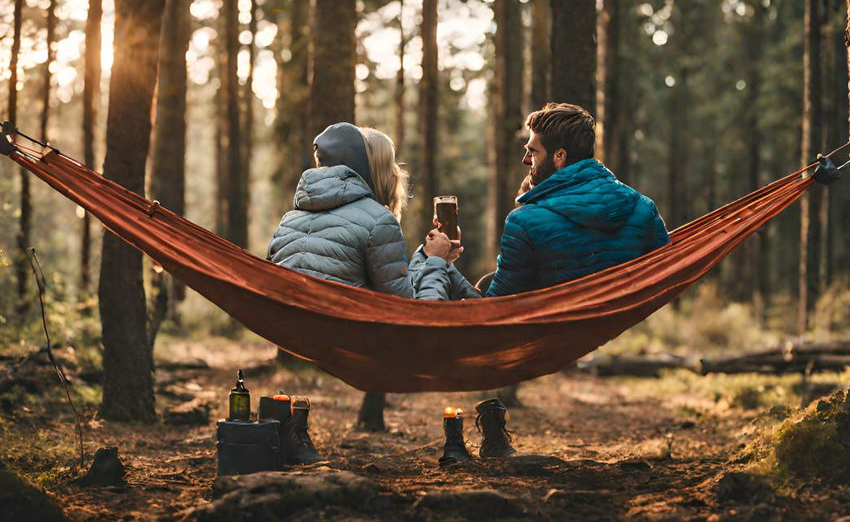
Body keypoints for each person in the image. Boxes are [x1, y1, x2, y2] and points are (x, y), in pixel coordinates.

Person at [268, 122, 459, 431]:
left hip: (293, 328)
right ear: (375, 170)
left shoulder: (290, 218)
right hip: (348, 336)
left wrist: (426, 257)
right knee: (453, 306)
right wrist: (437, 262)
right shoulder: (378, 219)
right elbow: (410, 311)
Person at [485, 103, 670, 297]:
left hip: (553, 323)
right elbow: (667, 269)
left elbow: (495, 307)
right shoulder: (644, 209)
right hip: (612, 320)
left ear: (559, 156)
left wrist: (448, 268)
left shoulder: (523, 222)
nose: (526, 160)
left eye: (533, 152)